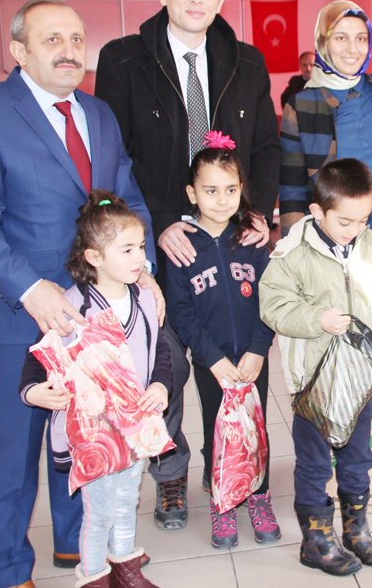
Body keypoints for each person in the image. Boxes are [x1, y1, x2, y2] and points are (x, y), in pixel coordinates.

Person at [0, 0, 161, 588]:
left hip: (97, 310)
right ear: (18, 51)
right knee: (15, 450)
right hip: (22, 312)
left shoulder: (100, 114)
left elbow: (126, 199)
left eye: (76, 39)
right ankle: (8, 568)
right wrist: (30, 289)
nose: (69, 51)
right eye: (52, 40)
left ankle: (76, 546)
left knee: (85, 433)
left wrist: (141, 269)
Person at [96, 0, 282, 529]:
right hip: (160, 237)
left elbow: (267, 148)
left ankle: (232, 463)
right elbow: (115, 155)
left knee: (233, 355)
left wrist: (255, 212)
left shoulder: (246, 62)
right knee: (168, 362)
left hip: (230, 229)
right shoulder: (123, 60)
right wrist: (158, 223)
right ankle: (170, 473)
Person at [259, 158, 372, 577]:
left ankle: (355, 528)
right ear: (317, 211)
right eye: (345, 221)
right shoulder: (291, 253)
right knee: (314, 462)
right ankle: (316, 539)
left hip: (359, 380)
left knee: (358, 455)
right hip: (314, 383)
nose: (354, 229)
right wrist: (317, 319)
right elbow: (273, 305)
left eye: (363, 220)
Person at [19, 191, 170, 588]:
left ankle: (126, 570)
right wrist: (33, 392)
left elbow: (160, 351)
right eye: (127, 250)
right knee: (99, 511)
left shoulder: (145, 298)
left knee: (127, 501)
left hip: (134, 425)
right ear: (94, 257)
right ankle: (92, 577)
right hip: (94, 434)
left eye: (141, 247)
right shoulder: (72, 306)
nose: (139, 258)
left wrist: (159, 384)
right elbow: (36, 359)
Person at [165, 141, 279, 549]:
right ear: (192, 193)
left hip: (252, 358)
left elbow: (271, 298)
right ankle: (223, 501)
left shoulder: (251, 240)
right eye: (210, 190)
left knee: (256, 428)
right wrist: (211, 358)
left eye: (230, 190)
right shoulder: (181, 247)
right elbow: (180, 312)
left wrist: (259, 348)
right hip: (211, 363)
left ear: (241, 189)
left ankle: (259, 496)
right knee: (220, 431)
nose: (221, 200)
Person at [280, 0, 372, 258]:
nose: (353, 49)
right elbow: (291, 187)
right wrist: (294, 247)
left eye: (361, 39)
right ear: (323, 41)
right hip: (338, 238)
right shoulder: (301, 106)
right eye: (341, 38)